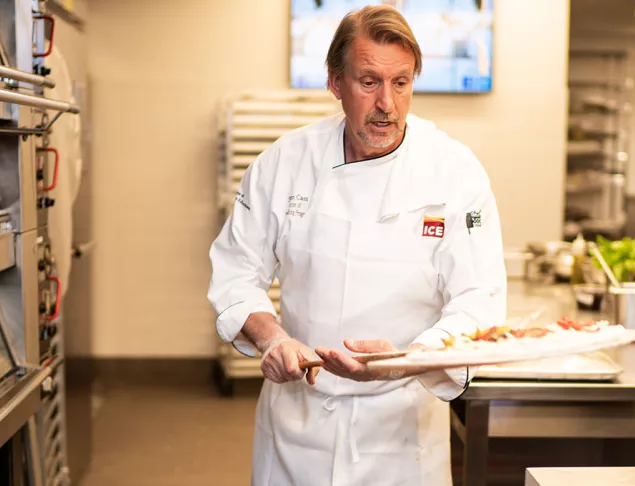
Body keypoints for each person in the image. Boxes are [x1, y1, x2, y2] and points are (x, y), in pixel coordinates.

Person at [206, 6, 505, 485]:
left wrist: (403, 361)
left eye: (401, 83)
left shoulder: (455, 171)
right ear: (335, 82)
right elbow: (235, 273)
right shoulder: (283, 163)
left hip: (401, 431)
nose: (387, 102)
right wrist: (273, 338)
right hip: (298, 426)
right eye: (369, 82)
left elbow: (479, 300)